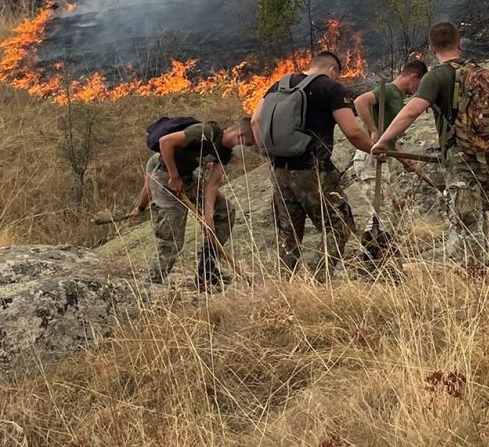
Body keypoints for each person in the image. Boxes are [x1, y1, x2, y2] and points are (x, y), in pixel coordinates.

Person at [371, 21, 489, 271]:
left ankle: (474, 276)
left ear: (432, 50)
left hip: (461, 158)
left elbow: (411, 111)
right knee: (477, 216)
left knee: (466, 220)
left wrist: (381, 142)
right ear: (459, 44)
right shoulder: (479, 72)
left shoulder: (436, 76)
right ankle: (479, 269)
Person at [252, 50, 373, 279]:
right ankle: (320, 279)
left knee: (289, 234)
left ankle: (285, 285)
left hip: (280, 172)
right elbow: (353, 131)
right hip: (314, 172)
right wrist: (374, 150)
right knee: (339, 225)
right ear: (332, 70)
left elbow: (255, 120)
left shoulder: (278, 85)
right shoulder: (330, 88)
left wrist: (268, 156)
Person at [132, 117, 255, 291]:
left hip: (188, 179)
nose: (248, 149)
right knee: (172, 237)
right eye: (249, 145)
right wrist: (174, 177)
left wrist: (208, 216)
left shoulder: (225, 152)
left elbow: (212, 184)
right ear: (241, 136)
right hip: (165, 178)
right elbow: (165, 142)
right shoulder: (206, 132)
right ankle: (151, 284)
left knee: (224, 212)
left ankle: (206, 272)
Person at [351, 59, 428, 219]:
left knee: (396, 209)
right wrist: (373, 130)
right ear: (414, 77)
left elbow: (390, 141)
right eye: (419, 84)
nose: (416, 90)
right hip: (371, 158)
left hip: (385, 158)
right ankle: (375, 242)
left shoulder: (398, 97)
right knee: (380, 214)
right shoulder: (389, 90)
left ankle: (391, 242)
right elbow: (360, 101)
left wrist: (406, 162)